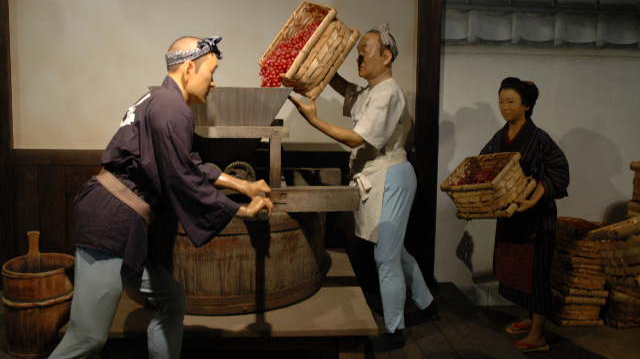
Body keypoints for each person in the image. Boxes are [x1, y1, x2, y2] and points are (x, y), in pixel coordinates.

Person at [49, 36, 274, 359]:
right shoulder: (172, 108)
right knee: (88, 338)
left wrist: (243, 185)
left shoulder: (159, 99)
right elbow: (181, 178)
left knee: (171, 298)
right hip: (111, 222)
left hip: (122, 220)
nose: (213, 82)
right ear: (189, 68)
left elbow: (188, 164)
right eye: (211, 73)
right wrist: (241, 211)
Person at [289, 23, 435, 351]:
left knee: (385, 256)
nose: (359, 57)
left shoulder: (388, 93)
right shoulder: (372, 91)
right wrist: (323, 68)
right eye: (357, 52)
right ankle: (426, 302)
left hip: (392, 176)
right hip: (378, 176)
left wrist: (314, 120)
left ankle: (395, 330)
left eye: (364, 51)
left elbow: (357, 138)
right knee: (394, 250)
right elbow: (346, 89)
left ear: (387, 56)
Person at [480, 77, 569, 353]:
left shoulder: (540, 138)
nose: (504, 107)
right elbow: (484, 162)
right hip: (511, 216)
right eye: (501, 101)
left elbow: (560, 171)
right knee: (516, 270)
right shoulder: (500, 137)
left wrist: (536, 193)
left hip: (536, 218)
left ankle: (538, 334)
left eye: (511, 102)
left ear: (526, 106)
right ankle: (531, 318)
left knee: (536, 272)